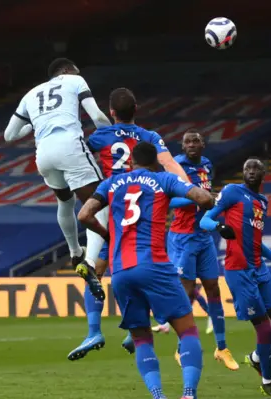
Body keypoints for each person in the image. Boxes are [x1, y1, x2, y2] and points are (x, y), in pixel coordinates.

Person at [77, 142, 215, 399]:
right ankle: (189, 397)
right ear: (156, 162)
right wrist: (209, 198)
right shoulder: (163, 178)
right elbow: (203, 199)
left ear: (131, 163)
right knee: (188, 330)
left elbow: (84, 215)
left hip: (122, 271)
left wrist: (110, 236)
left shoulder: (111, 182)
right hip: (154, 265)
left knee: (141, 339)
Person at [67, 88, 188, 361]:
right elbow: (169, 164)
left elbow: (79, 157)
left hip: (111, 202)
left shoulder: (100, 136)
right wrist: (188, 188)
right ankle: (134, 327)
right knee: (139, 262)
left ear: (110, 112)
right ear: (137, 109)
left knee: (96, 269)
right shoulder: (149, 136)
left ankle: (94, 331)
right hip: (144, 202)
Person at [3, 58, 111, 301]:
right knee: (98, 206)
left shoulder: (30, 94)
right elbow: (96, 115)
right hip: (70, 146)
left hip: (43, 155)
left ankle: (75, 252)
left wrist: (29, 128)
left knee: (65, 202)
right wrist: (115, 133)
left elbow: (9, 135)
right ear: (65, 70)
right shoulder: (74, 80)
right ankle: (90, 263)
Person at [200, 158, 271, 397]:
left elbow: (256, 241)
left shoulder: (262, 202)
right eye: (247, 169)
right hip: (238, 270)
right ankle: (268, 381)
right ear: (243, 173)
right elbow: (205, 219)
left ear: (263, 174)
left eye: (256, 169)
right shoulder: (232, 192)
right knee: (264, 329)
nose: (251, 172)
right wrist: (219, 227)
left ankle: (256, 357)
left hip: (260, 268)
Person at [162, 129, 238, 371]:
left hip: (204, 237)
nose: (192, 145)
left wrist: (210, 201)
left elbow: (209, 197)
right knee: (185, 291)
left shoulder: (206, 165)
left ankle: (222, 347)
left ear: (203, 144)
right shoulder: (175, 167)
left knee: (213, 288)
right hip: (182, 237)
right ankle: (180, 346)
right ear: (182, 146)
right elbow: (168, 200)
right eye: (187, 142)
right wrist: (200, 198)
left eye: (196, 141)